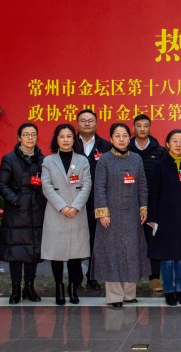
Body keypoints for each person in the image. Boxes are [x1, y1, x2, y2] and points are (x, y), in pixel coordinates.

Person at [92, 123, 149, 308]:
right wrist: (103, 212)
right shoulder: (104, 160)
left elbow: (142, 185)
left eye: (125, 135)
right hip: (111, 214)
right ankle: (115, 296)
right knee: (113, 253)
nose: (122, 139)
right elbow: (99, 187)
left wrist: (143, 207)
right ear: (111, 139)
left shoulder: (136, 159)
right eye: (117, 136)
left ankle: (129, 294)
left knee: (131, 252)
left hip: (132, 213)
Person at [147, 129, 181, 306]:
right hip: (165, 218)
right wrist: (152, 218)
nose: (178, 145)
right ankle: (169, 291)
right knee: (167, 256)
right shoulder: (159, 166)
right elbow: (153, 194)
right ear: (167, 144)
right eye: (175, 141)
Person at [41, 123, 91, 305]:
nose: (65, 140)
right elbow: (46, 186)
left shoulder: (82, 160)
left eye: (69, 136)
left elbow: (86, 185)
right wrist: (62, 207)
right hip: (56, 213)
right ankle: (59, 287)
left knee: (75, 255)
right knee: (57, 254)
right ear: (56, 139)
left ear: (74, 139)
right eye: (61, 137)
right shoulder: (48, 161)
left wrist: (75, 206)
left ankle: (72, 287)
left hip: (77, 212)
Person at [0, 122, 46, 304]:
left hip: (36, 211)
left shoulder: (43, 159)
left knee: (33, 251)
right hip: (16, 212)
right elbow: (2, 184)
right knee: (16, 252)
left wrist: (40, 198)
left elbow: (48, 183)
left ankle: (30, 287)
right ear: (19, 137)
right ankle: (16, 288)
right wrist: (15, 200)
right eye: (26, 134)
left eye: (33, 134)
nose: (30, 137)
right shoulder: (9, 158)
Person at [73, 109, 112, 290]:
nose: (87, 123)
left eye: (90, 120)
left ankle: (93, 276)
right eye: (83, 120)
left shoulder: (106, 146)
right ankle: (75, 277)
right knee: (76, 237)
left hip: (98, 199)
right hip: (75, 199)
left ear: (96, 123)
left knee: (96, 237)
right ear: (77, 124)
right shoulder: (70, 143)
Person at [128, 114, 166, 293]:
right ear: (133, 128)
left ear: (150, 128)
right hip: (129, 202)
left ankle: (155, 277)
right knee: (130, 240)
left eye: (145, 126)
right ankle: (130, 277)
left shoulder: (159, 151)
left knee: (154, 239)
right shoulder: (125, 149)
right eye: (139, 125)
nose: (142, 129)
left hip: (153, 203)